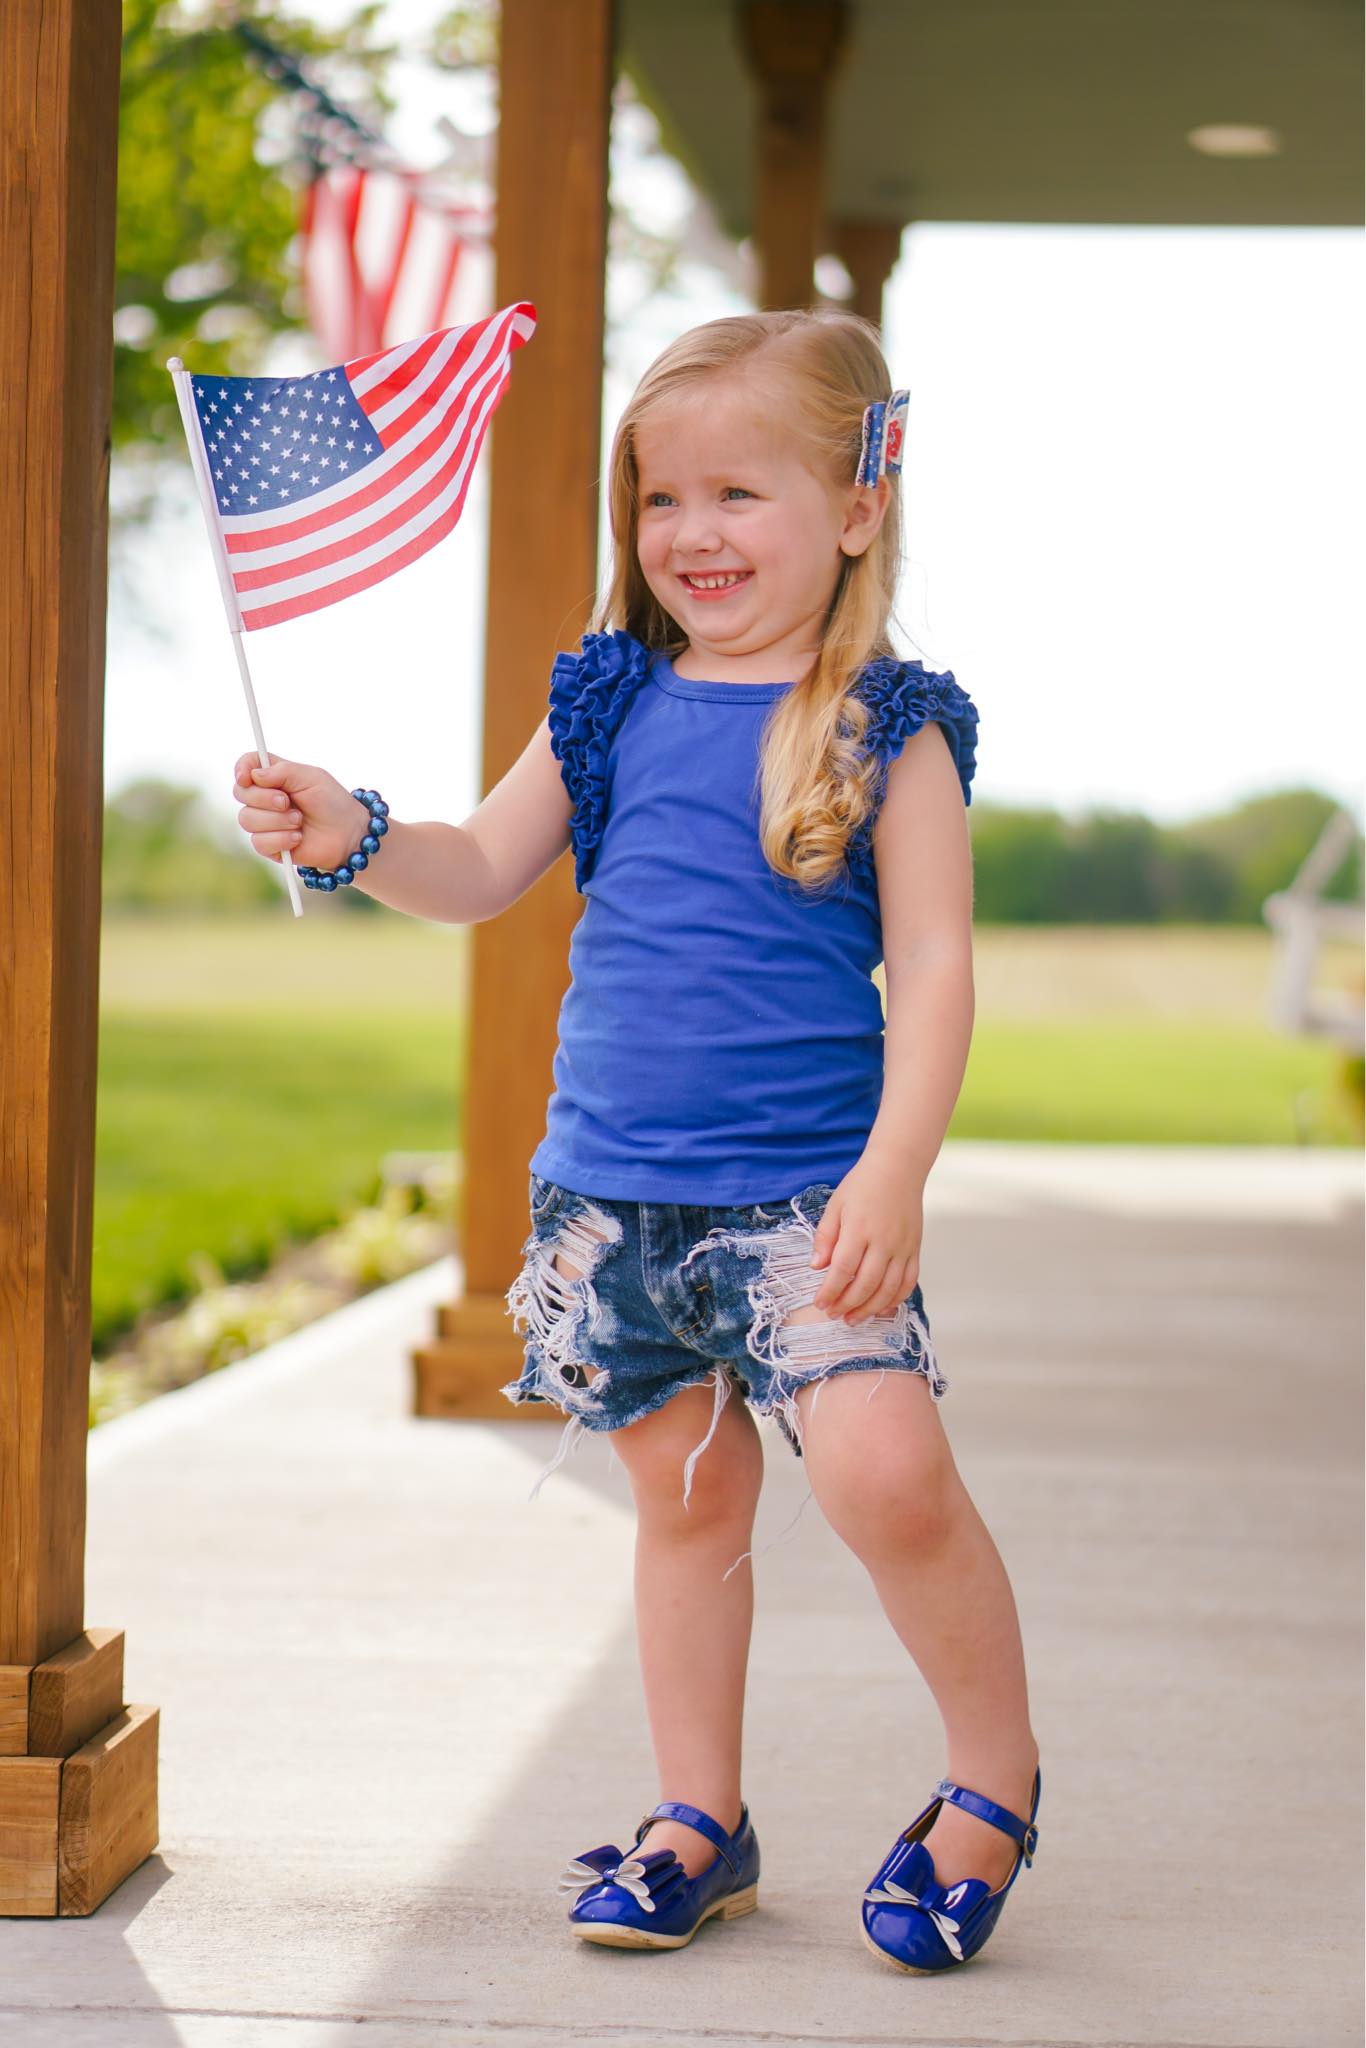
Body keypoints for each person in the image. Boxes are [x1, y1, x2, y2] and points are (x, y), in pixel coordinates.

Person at [230, 307, 1041, 1974]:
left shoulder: (889, 723)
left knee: (888, 1478)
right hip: (611, 1202)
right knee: (685, 1504)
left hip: (810, 1202)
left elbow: (941, 971)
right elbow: (471, 865)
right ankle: (697, 1817)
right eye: (661, 501)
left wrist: (893, 1173)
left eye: (738, 496)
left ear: (857, 506)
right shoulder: (607, 698)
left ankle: (990, 1778)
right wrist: (354, 829)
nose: (691, 535)